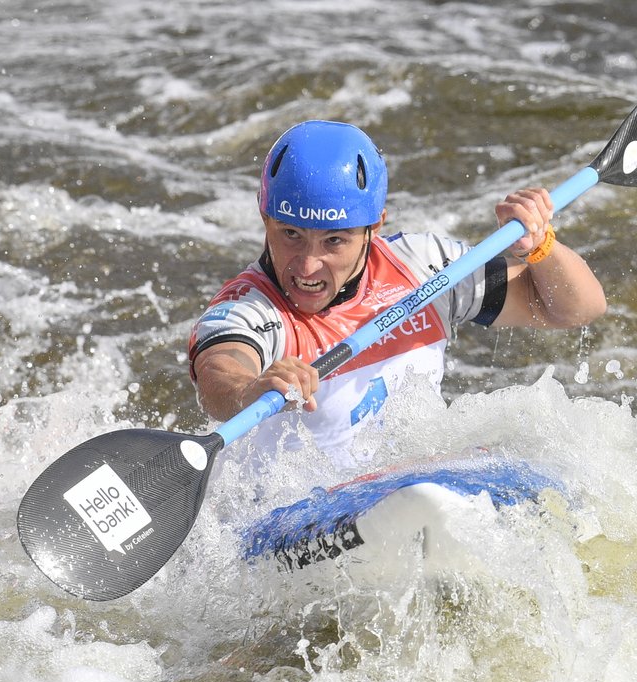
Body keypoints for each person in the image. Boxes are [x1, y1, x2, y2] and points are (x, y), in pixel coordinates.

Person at [188, 120, 606, 469]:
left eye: (335, 241)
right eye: (291, 234)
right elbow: (219, 375)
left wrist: (540, 247)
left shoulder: (424, 267)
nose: (308, 265)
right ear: (265, 218)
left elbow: (577, 309)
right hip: (290, 518)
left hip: (408, 485)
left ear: (376, 225)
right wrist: (252, 390)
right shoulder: (246, 307)